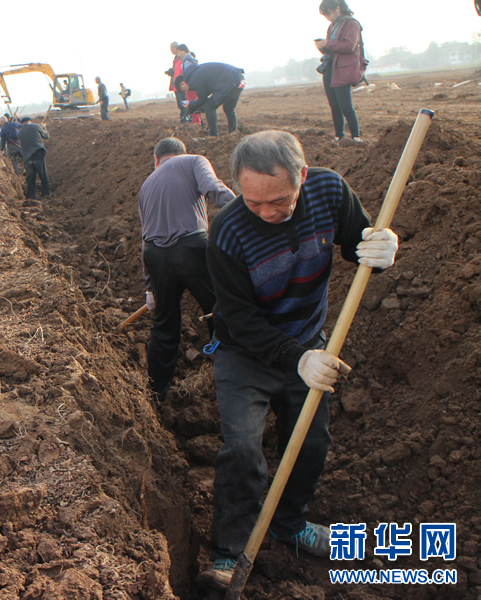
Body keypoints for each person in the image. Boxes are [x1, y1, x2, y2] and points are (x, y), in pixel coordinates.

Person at [197, 130, 399, 590]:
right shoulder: (227, 231)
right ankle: (229, 552)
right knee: (243, 449)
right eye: (254, 202)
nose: (268, 212)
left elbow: (357, 242)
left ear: (302, 176)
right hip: (244, 352)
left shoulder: (329, 191)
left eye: (280, 200)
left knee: (309, 442)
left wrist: (381, 246)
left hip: (308, 337)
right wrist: (297, 359)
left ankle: (290, 523)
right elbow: (243, 320)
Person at [138, 138, 234, 404]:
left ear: (156, 159)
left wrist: (150, 288)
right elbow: (214, 189)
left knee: (164, 324)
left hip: (156, 257)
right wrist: (247, 212)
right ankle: (230, 376)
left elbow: (144, 238)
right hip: (192, 248)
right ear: (182, 153)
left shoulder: (147, 183)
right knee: (221, 310)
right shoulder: (194, 160)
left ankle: (156, 392)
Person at [315, 0, 366, 143]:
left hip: (343, 70)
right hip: (330, 68)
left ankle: (355, 136)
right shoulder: (332, 26)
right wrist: (322, 46)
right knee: (334, 106)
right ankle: (339, 136)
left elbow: (349, 46)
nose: (327, 17)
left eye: (328, 13)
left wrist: (327, 43)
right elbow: (332, 48)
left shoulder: (352, 24)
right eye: (325, 15)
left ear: (338, 8)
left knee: (345, 106)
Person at [179, 61, 245, 137]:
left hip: (229, 82)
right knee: (229, 108)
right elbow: (205, 94)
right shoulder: (197, 72)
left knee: (209, 106)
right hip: (239, 79)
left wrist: (190, 105)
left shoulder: (193, 80)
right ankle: (233, 133)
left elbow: (202, 99)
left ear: (182, 83)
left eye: (184, 90)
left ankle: (213, 135)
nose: (187, 91)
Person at [17, 116, 49, 199]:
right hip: (37, 153)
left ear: (22, 123)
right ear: (30, 121)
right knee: (43, 175)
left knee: (30, 178)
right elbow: (46, 135)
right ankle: (45, 194)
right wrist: (44, 127)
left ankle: (32, 196)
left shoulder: (20, 132)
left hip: (27, 156)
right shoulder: (36, 126)